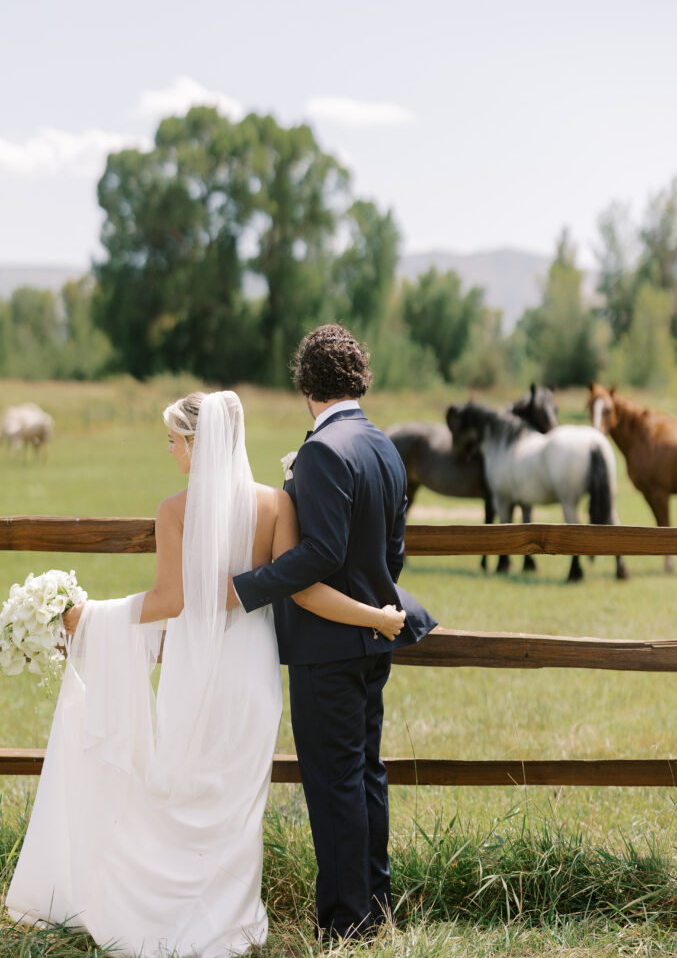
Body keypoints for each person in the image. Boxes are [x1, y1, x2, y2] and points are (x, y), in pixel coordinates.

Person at [6, 390, 406, 958]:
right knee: (237, 797)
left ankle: (171, 907)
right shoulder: (276, 506)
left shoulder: (176, 509)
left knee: (186, 783)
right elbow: (302, 586)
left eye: (173, 440)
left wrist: (87, 616)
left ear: (196, 443)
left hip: (198, 669)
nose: (170, 451)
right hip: (254, 673)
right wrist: (374, 616)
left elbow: (170, 599)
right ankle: (231, 920)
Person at [230, 324, 437, 944]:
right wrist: (374, 605)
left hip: (327, 645)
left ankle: (347, 925)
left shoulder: (322, 451)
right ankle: (374, 909)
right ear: (357, 379)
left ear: (305, 383)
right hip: (376, 636)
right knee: (366, 774)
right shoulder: (383, 445)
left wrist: (248, 587)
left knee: (334, 783)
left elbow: (320, 553)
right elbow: (393, 551)